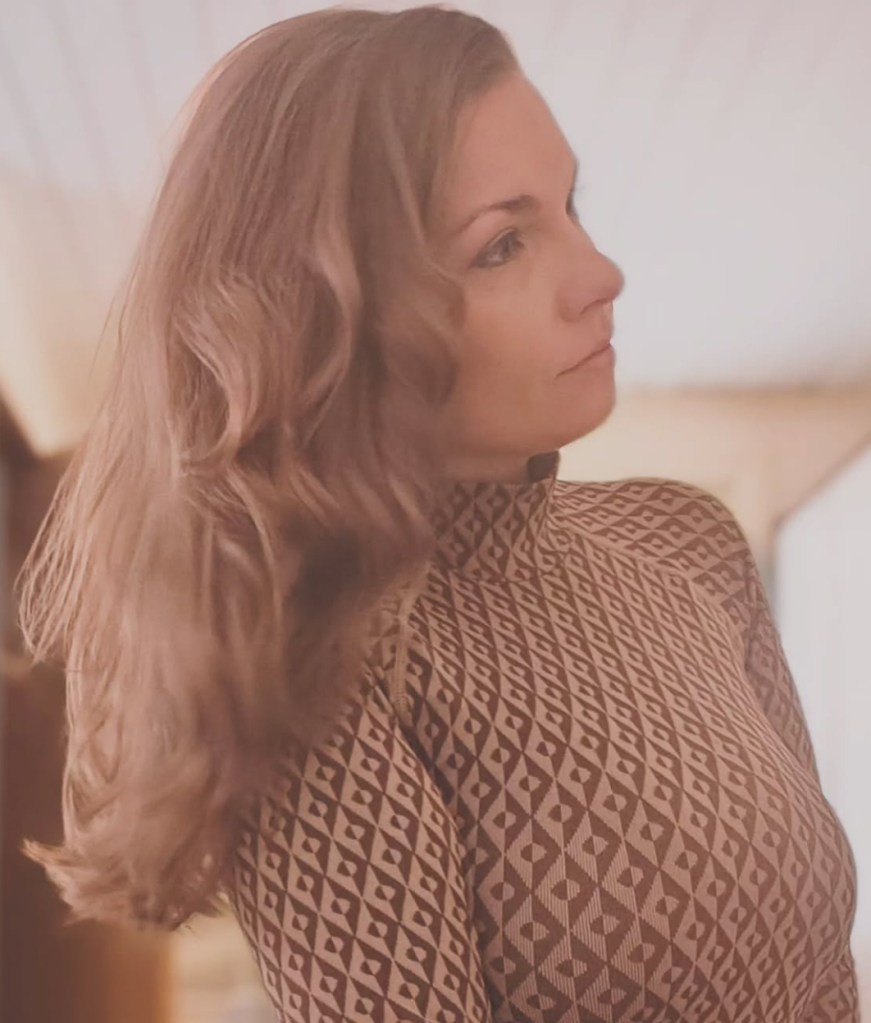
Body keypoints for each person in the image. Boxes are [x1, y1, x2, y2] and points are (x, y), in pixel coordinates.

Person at [15, 6, 859, 1022]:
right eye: (502, 244)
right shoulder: (325, 673)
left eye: (569, 206)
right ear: (333, 319)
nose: (601, 276)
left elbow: (821, 970)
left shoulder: (689, 542)